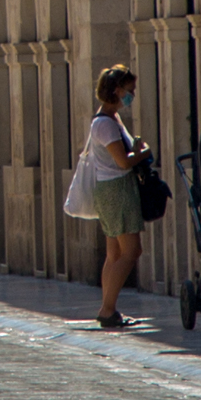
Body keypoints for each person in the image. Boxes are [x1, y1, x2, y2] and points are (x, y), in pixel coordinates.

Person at [67, 62, 148, 328]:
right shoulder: (105, 125)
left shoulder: (110, 120)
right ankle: (107, 309)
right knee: (131, 251)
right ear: (115, 90)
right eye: (128, 90)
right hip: (116, 190)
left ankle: (108, 309)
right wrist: (143, 153)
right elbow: (123, 162)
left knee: (114, 253)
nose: (131, 95)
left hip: (112, 189)